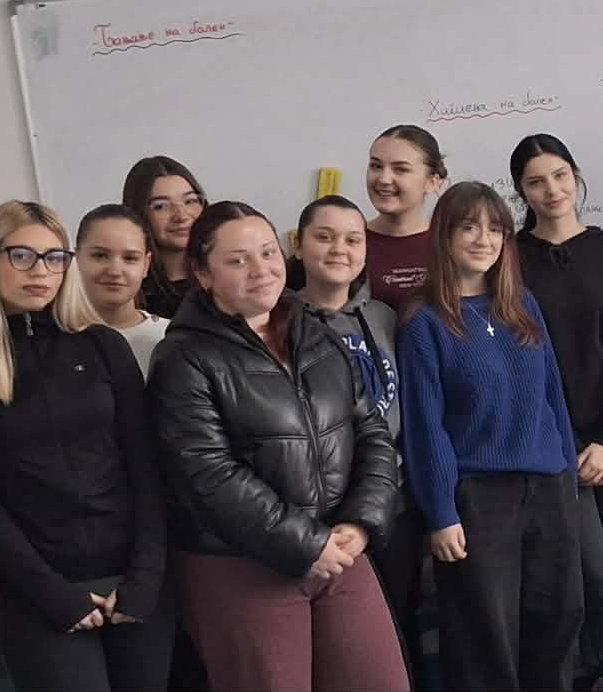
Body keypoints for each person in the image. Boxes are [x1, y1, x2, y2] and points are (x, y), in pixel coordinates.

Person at [151, 200, 409, 692]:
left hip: (339, 548)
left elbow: (370, 430)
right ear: (203, 275)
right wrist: (306, 544)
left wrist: (362, 521)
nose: (261, 269)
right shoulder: (183, 358)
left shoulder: (314, 331)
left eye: (268, 252)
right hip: (241, 563)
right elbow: (208, 474)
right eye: (237, 260)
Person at [0, 200, 171, 692]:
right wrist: (52, 594)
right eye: (22, 256)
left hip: (133, 581)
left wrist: (145, 577)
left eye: (55, 257)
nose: (40, 271)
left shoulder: (103, 346)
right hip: (39, 596)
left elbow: (147, 468)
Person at [401, 181, 583, 692]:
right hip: (478, 498)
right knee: (486, 635)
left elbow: (553, 396)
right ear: (444, 235)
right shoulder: (424, 322)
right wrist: (441, 512)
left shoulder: (521, 304)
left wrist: (567, 477)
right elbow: (425, 426)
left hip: (547, 487)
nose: (484, 240)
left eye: (496, 230)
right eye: (469, 227)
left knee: (559, 619)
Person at [511, 133, 603, 682]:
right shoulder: (510, 259)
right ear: (521, 192)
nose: (551, 190)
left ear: (575, 176)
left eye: (560, 176)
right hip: (550, 438)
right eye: (536, 182)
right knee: (586, 570)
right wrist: (561, 437)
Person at [290, 194, 423, 682]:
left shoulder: (385, 316)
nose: (339, 250)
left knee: (400, 628)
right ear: (298, 245)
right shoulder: (280, 320)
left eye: (352, 240)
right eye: (324, 237)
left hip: (395, 502)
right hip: (325, 514)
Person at [78, 203, 170, 373]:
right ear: (76, 258)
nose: (114, 271)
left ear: (146, 265)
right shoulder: (50, 342)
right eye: (100, 256)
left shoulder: (171, 338)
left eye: (130, 258)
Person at [365, 124, 448, 310]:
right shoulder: (349, 242)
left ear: (432, 182)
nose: (384, 179)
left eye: (400, 169)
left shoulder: (448, 245)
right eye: (376, 166)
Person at [122, 155, 208, 320]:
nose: (181, 216)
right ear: (138, 214)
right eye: (161, 206)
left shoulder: (223, 282)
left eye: (190, 201)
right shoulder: (126, 292)